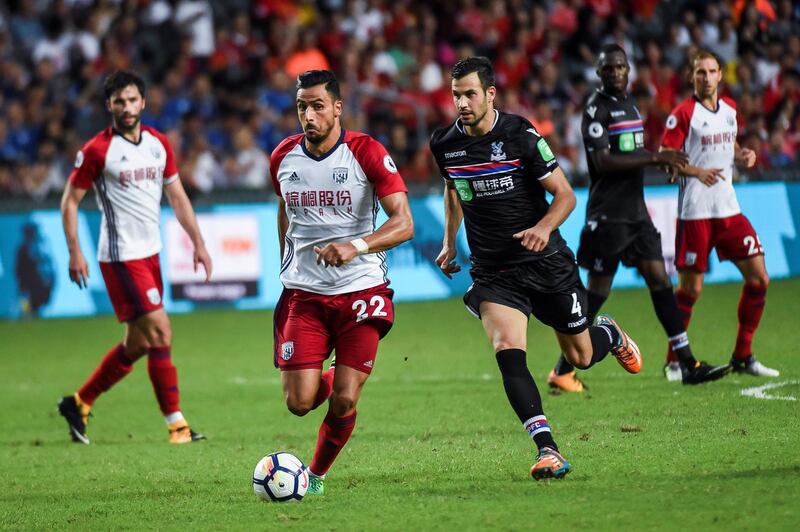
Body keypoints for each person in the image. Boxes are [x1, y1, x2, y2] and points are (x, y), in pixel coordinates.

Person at [431, 56, 641, 481]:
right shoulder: (444, 143)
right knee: (509, 353)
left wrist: (544, 228)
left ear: (490, 94)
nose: (462, 103)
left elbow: (565, 195)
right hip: (494, 271)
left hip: (546, 263)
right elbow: (454, 188)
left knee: (580, 356)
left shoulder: (521, 134)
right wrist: (449, 241)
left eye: (470, 94)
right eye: (456, 95)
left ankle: (609, 333)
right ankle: (548, 449)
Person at [547, 44, 730, 393]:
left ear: (628, 70)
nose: (616, 73)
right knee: (597, 295)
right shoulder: (595, 110)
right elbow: (603, 162)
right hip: (608, 215)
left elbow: (633, 154)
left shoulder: (630, 105)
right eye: (609, 68)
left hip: (636, 214)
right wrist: (652, 158)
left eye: (621, 67)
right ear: (599, 73)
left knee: (660, 281)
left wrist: (659, 160)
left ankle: (686, 362)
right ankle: (562, 369)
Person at [270, 70, 413, 495]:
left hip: (361, 291)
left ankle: (314, 477)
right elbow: (285, 210)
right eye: (301, 107)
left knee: (346, 398)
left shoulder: (366, 152)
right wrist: (286, 257)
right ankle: (336, 374)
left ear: (337, 107)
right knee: (298, 403)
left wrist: (357, 245)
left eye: (317, 105)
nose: (308, 115)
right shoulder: (282, 158)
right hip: (305, 295)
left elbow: (403, 223)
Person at [58, 70, 212, 444]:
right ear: (108, 105)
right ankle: (177, 426)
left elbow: (177, 197)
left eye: (132, 100)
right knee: (161, 330)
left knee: (139, 344)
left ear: (143, 102)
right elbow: (69, 202)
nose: (126, 107)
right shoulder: (97, 150)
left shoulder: (159, 144)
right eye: (119, 101)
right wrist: (75, 251)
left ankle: (79, 402)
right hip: (120, 256)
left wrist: (199, 242)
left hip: (151, 254)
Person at [660, 50, 778, 378]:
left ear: (721, 75)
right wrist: (696, 171)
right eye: (701, 72)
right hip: (695, 211)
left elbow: (731, 143)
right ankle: (674, 360)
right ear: (691, 77)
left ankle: (743, 355)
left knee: (759, 278)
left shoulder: (729, 110)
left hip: (729, 209)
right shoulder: (682, 114)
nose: (707, 78)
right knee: (690, 291)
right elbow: (664, 155)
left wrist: (743, 154)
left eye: (712, 72)